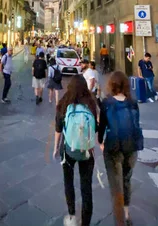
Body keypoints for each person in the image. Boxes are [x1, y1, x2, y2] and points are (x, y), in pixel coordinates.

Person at [98, 71, 143, 226]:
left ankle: (120, 221)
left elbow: (102, 126)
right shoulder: (132, 102)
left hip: (113, 147)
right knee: (126, 180)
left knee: (115, 185)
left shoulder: (107, 103)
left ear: (111, 85)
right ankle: (126, 213)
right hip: (131, 146)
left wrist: (100, 142)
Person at [53, 75, 98, 226]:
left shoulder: (64, 103)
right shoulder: (91, 103)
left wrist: (55, 148)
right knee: (86, 188)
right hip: (87, 151)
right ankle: (86, 223)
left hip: (67, 150)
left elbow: (58, 129)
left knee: (68, 183)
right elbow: (96, 128)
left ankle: (72, 216)